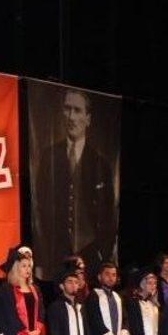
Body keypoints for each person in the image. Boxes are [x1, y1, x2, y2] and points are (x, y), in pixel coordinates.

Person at [32, 88, 117, 276]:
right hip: (56, 255)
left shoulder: (100, 163)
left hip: (91, 255)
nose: (71, 116)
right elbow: (40, 210)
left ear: (88, 119)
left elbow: (109, 217)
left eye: (77, 110)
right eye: (67, 109)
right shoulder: (49, 157)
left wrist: (102, 254)